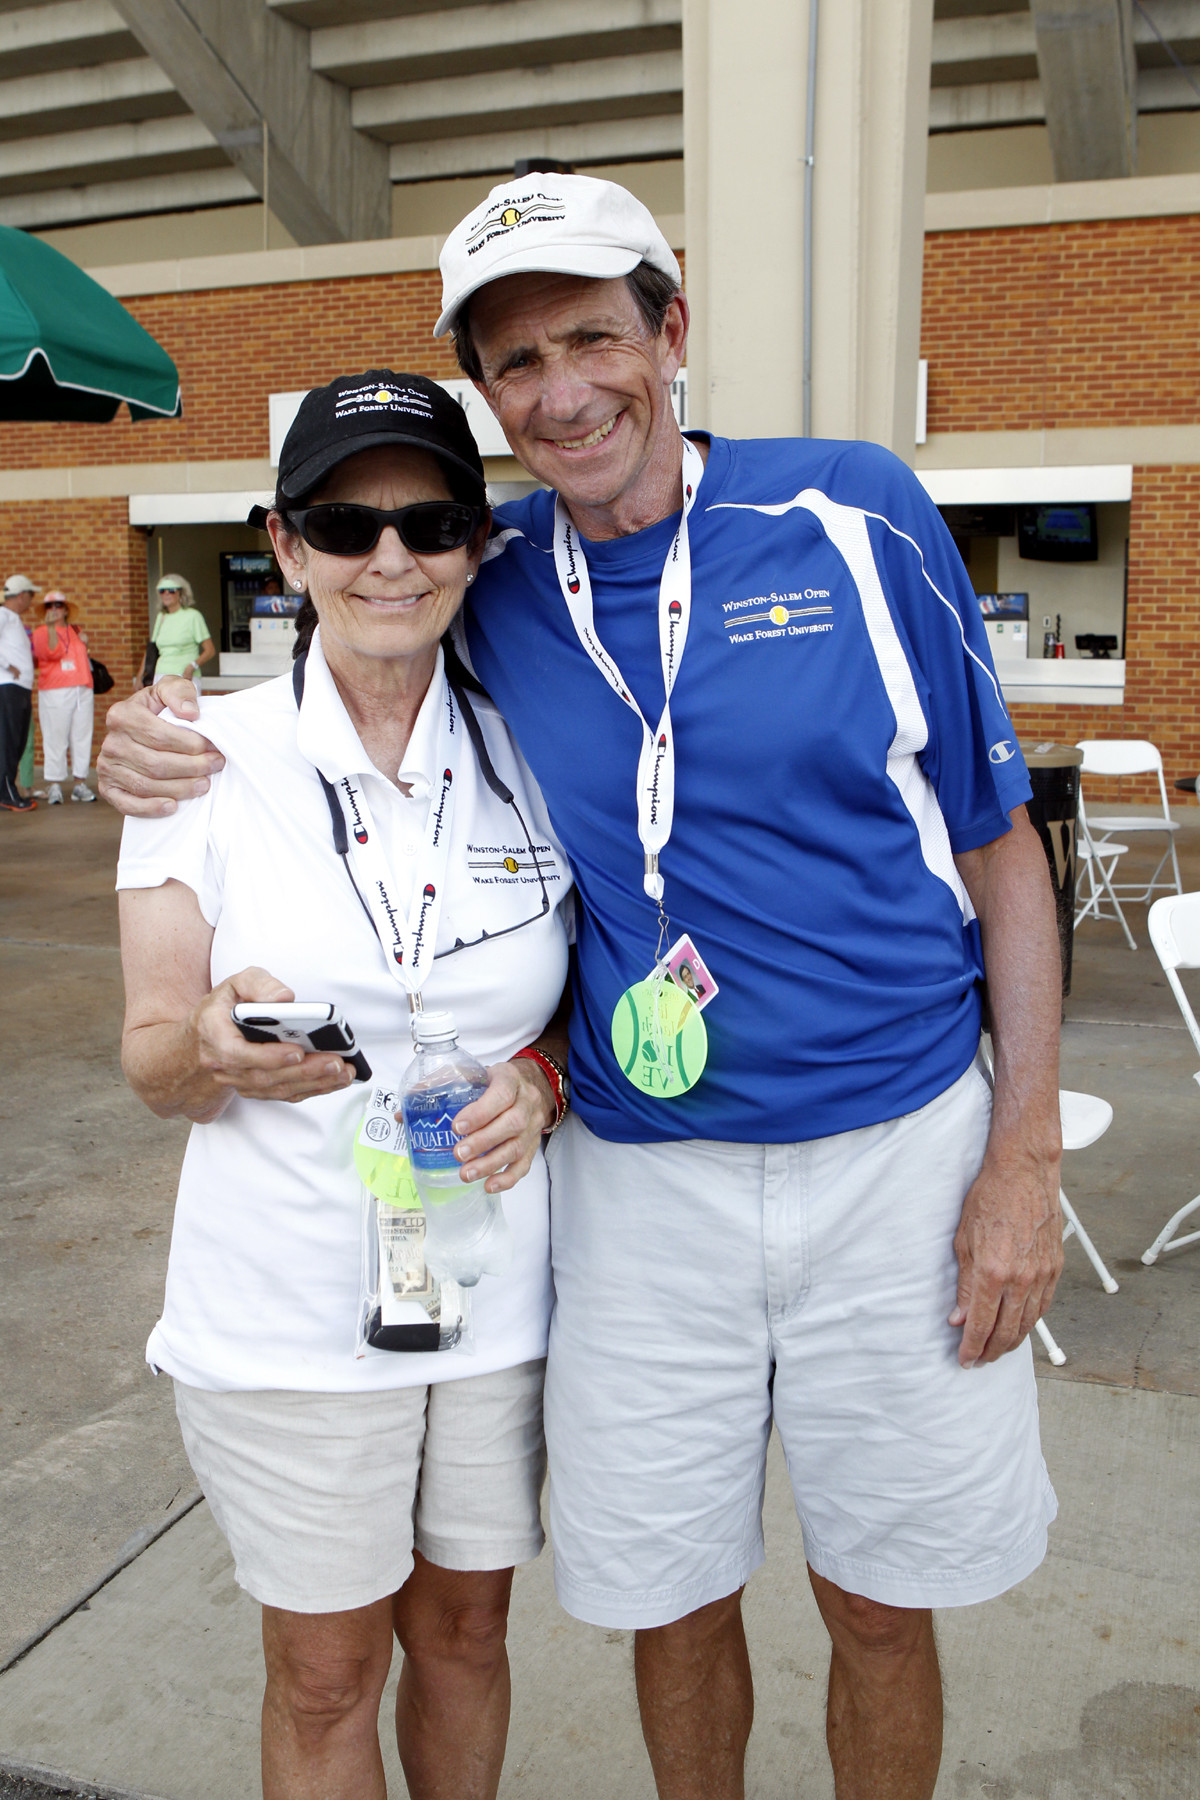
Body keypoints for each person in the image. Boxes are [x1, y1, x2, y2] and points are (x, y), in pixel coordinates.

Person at [98, 176, 1063, 1800]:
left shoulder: (852, 511)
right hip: (639, 1183)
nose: (562, 392)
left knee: (880, 1603)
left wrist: (1022, 1158)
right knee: (667, 1600)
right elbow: (357, 635)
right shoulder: (498, 575)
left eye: (593, 337)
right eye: (518, 361)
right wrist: (153, 732)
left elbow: (1003, 858)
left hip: (897, 1151)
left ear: (671, 332)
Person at [116, 372, 573, 1800]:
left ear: (478, 545)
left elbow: (601, 998)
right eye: (347, 521)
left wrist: (546, 1085)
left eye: (431, 520)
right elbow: (146, 1057)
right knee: (325, 1673)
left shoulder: (538, 753)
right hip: (289, 1312)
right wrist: (205, 1047)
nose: (392, 557)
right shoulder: (199, 758)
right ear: (288, 542)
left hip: (497, 1294)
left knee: (466, 1633)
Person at [31, 591, 96, 803]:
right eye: (50, 606)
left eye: (58, 605)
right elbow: (51, 653)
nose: (54, 609)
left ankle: (80, 782)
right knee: (55, 737)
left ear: (66, 609)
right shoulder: (41, 632)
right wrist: (51, 628)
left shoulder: (76, 631)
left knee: (82, 735)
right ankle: (55, 784)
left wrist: (84, 643)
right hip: (55, 690)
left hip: (81, 688)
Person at [133, 573, 215, 691]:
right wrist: (139, 676)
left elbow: (210, 650)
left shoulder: (193, 616)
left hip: (184, 676)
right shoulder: (161, 617)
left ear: (181, 593)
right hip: (160, 675)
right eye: (162, 591)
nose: (166, 593)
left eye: (171, 590)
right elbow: (151, 650)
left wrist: (192, 666)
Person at [0, 572, 38, 812]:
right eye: (30, 596)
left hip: (20, 688)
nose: (31, 602)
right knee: (9, 741)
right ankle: (6, 792)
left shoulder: (12, 618)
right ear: (21, 595)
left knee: (18, 740)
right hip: (8, 687)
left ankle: (7, 790)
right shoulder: (3, 614)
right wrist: (7, 665)